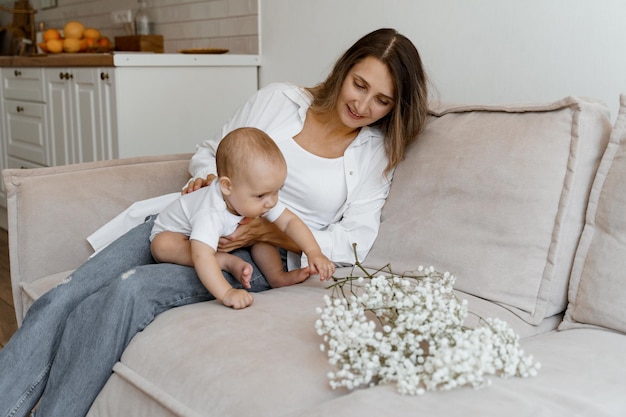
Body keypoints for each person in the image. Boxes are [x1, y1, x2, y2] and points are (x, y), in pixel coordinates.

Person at [0, 27, 429, 417]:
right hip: (193, 219)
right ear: (344, 71)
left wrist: (273, 230)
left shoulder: (375, 154)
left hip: (258, 254)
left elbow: (356, 239)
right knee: (67, 295)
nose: (362, 104)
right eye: (360, 85)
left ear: (395, 107)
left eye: (382, 101)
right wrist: (207, 177)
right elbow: (213, 150)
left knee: (128, 291)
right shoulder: (280, 99)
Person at [150, 127, 335, 309]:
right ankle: (224, 261)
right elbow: (202, 256)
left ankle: (277, 277)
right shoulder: (210, 212)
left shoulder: (258, 197)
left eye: (277, 191)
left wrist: (313, 252)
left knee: (263, 231)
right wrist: (226, 293)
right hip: (178, 234)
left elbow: (289, 222)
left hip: (221, 232)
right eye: (261, 196)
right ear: (227, 187)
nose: (271, 202)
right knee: (161, 246)